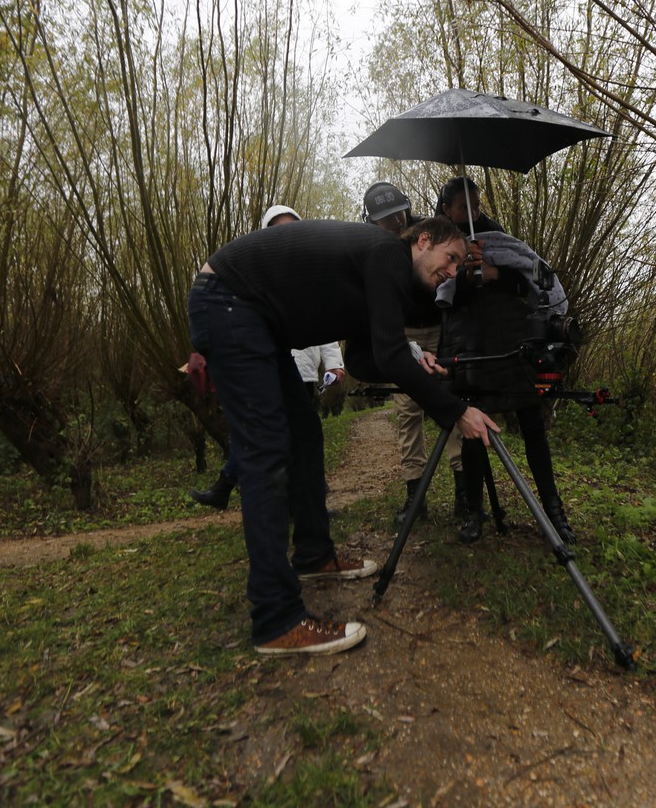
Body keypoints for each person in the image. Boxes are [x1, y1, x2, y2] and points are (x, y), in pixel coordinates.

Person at [187, 217, 499, 656]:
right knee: (267, 452)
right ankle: (276, 620)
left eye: (458, 266)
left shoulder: (387, 277)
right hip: (229, 301)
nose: (451, 272)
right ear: (423, 240)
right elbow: (389, 355)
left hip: (254, 316)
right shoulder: (389, 254)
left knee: (304, 433)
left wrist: (413, 361)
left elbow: (366, 361)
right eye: (450, 258)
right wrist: (456, 411)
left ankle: (314, 556)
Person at [434, 178, 577, 546]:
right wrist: (463, 274)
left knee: (532, 421)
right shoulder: (437, 240)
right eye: (464, 207)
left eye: (476, 205)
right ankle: (475, 512)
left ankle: (554, 512)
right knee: (472, 427)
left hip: (511, 338)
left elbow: (529, 281)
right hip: (469, 343)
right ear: (447, 209)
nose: (473, 212)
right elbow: (437, 296)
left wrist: (495, 273)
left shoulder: (497, 236)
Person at [189, 205, 346, 509]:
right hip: (268, 368)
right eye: (278, 230)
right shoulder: (254, 275)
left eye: (292, 228)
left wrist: (335, 364)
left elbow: (325, 324)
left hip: (303, 373)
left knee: (302, 433)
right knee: (265, 431)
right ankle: (275, 498)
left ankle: (308, 501)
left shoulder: (310, 272)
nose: (286, 235)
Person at [364, 181, 466, 525]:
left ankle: (463, 489)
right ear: (372, 221)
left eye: (399, 213)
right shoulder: (373, 246)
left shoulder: (429, 234)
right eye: (386, 219)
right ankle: (415, 494)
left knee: (449, 397)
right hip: (401, 333)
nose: (396, 222)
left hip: (438, 328)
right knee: (408, 411)